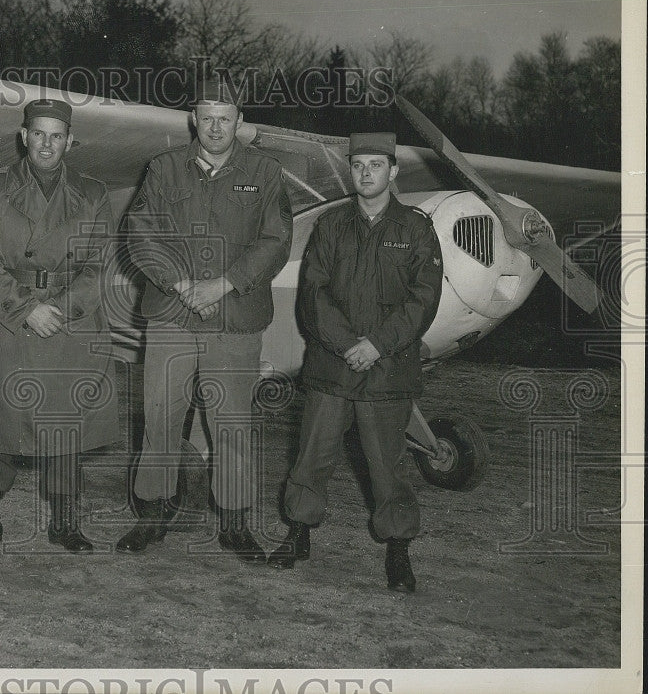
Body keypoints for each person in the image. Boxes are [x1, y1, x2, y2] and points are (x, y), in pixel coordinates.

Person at [116, 79, 293, 564]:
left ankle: (234, 524)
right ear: (193, 118)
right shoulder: (164, 168)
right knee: (160, 417)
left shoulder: (266, 171)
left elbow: (276, 241)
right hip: (172, 315)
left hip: (234, 317)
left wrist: (224, 283)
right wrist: (178, 284)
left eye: (226, 117)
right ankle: (152, 513)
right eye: (206, 117)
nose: (216, 127)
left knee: (232, 423)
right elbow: (140, 231)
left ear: (240, 121)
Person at [267, 131, 443, 592]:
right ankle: (298, 534)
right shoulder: (331, 225)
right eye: (359, 166)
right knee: (312, 455)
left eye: (376, 166)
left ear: (394, 171)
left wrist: (377, 345)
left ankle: (398, 552)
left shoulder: (416, 229)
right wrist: (348, 344)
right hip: (332, 364)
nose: (366, 174)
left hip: (387, 369)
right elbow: (314, 293)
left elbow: (424, 299)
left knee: (388, 464)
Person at [0, 98, 116, 555]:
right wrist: (26, 310)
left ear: (69, 142)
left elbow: (99, 263)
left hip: (69, 319)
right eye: (38, 133)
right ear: (24, 137)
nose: (46, 143)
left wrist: (59, 308)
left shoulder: (93, 192)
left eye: (56, 135)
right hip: (8, 314)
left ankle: (65, 523)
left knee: (66, 420)